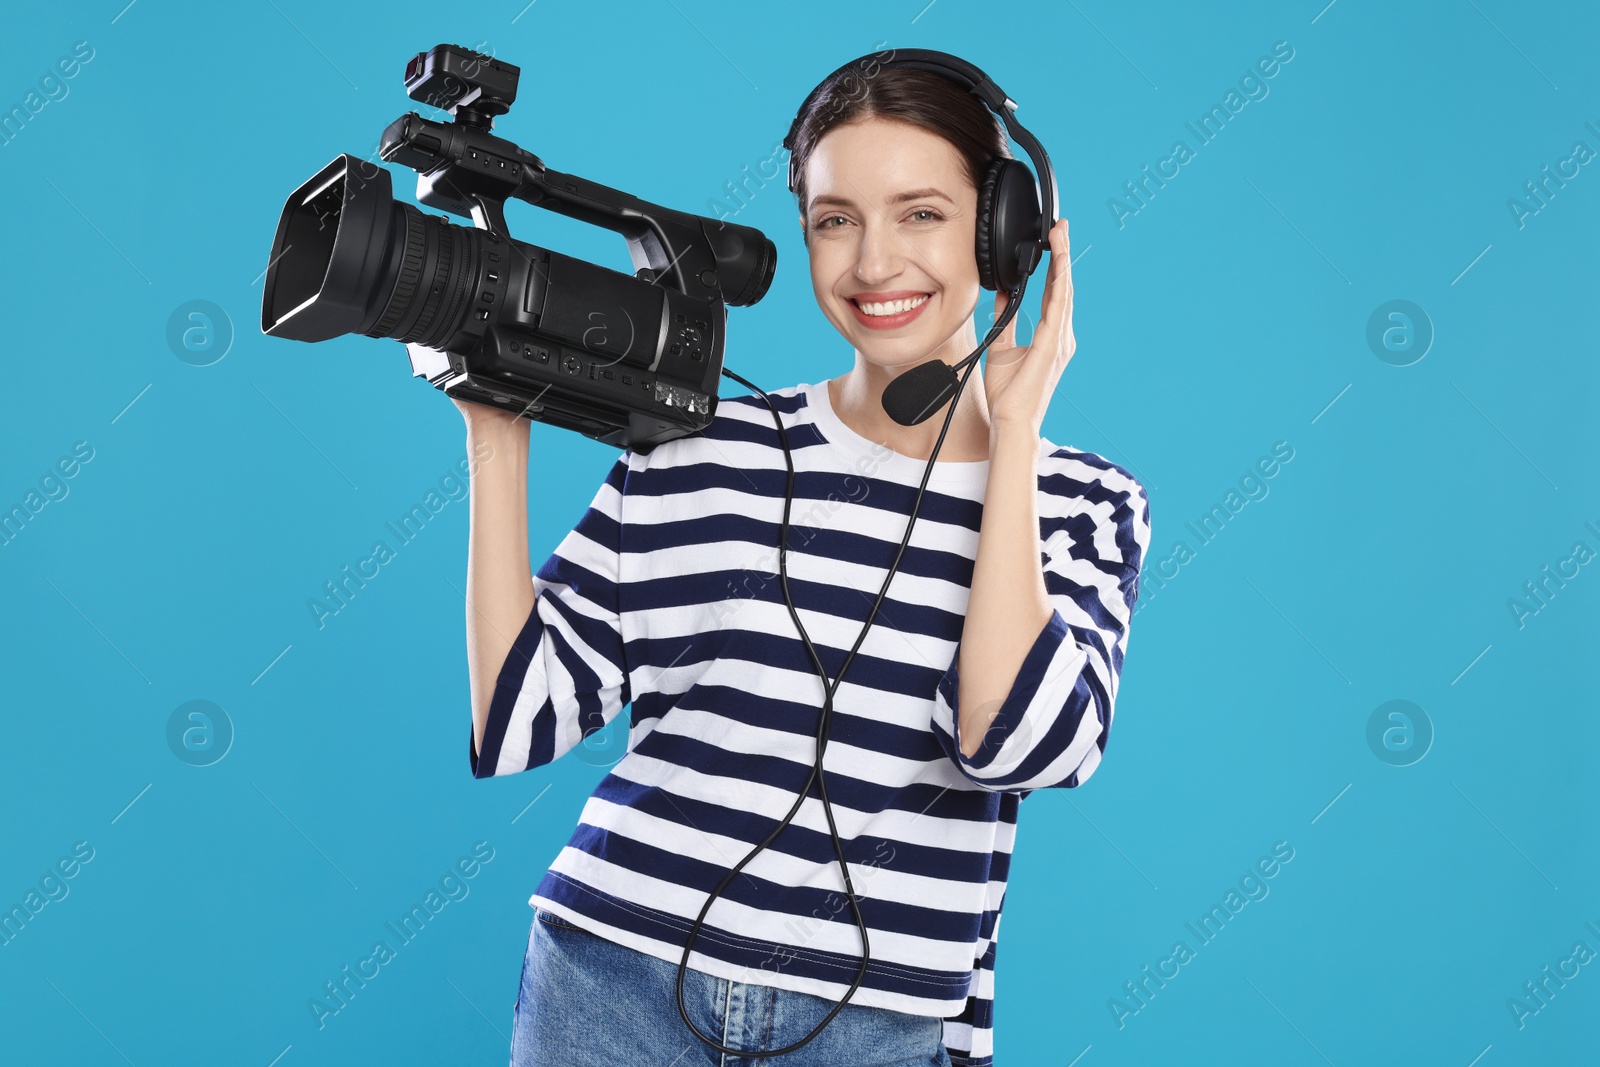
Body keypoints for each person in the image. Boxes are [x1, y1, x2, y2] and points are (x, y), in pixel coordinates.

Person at [456, 60, 1151, 1067]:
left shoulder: (1085, 501)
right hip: (611, 979)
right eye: (835, 219)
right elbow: (518, 716)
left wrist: (1014, 439)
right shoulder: (705, 446)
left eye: (919, 213)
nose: (874, 262)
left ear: (1004, 232)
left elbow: (1011, 742)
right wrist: (495, 429)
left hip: (874, 1024)